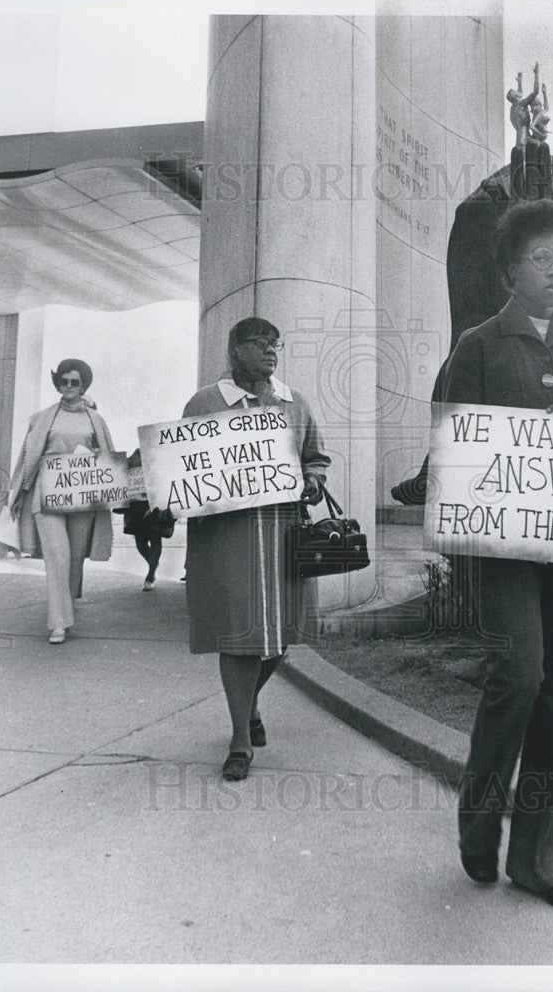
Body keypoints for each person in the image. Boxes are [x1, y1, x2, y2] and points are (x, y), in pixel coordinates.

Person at [443, 200, 553, 912]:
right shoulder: (478, 348)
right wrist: (525, 434)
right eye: (545, 257)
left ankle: (546, 862)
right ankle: (479, 827)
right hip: (502, 548)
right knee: (519, 675)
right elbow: (451, 450)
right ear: (512, 270)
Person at [183, 317, 330, 781]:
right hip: (228, 537)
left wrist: (312, 480)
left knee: (282, 635)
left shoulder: (293, 402)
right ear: (234, 350)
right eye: (258, 342)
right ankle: (239, 740)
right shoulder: (205, 403)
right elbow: (182, 467)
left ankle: (249, 705)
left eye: (274, 342)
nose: (270, 350)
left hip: (282, 533)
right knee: (239, 634)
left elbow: (315, 455)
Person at [8, 358, 115, 644]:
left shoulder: (95, 419)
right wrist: (19, 493)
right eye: (63, 381)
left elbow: (107, 456)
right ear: (58, 383)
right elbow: (26, 459)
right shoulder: (43, 418)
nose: (68, 387)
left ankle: (65, 611)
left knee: (75, 558)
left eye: (74, 382)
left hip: (82, 492)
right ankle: (58, 622)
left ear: (83, 386)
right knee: (58, 555)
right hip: (47, 492)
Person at [113, 449, 172, 591]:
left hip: (154, 504)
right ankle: (153, 565)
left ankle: (150, 575)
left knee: (155, 539)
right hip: (136, 506)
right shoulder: (132, 458)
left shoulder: (157, 457)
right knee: (140, 543)